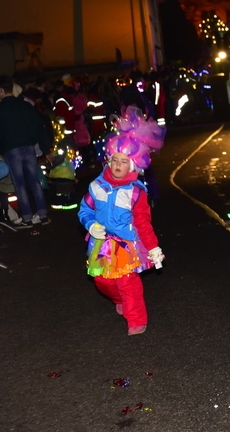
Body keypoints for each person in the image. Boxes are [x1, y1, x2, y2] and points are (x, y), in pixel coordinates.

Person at [77, 106, 166, 336]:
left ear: (133, 164)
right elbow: (85, 209)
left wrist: (153, 247)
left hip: (126, 245)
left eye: (124, 161)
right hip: (101, 243)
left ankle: (136, 319)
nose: (117, 165)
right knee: (102, 282)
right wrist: (91, 225)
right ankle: (120, 300)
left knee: (128, 282)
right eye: (115, 159)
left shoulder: (136, 192)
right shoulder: (97, 185)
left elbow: (143, 222)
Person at [0, 75, 53, 228]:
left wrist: (0, 149)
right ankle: (43, 215)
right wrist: (46, 149)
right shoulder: (26, 106)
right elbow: (39, 128)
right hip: (28, 148)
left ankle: (27, 218)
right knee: (34, 182)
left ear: (1, 90)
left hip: (11, 151)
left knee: (19, 184)